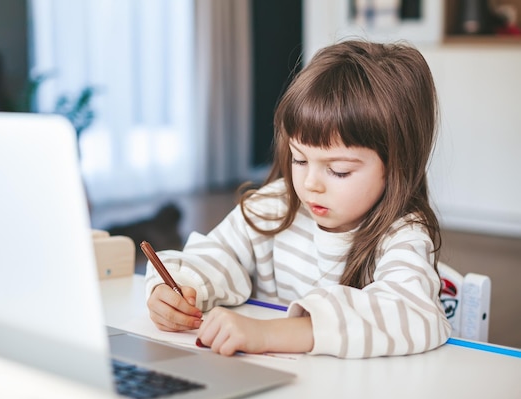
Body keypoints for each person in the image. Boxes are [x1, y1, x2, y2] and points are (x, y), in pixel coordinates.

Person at [144, 40, 451, 358]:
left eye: (339, 170)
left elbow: (413, 314)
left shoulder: (403, 234)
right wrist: (176, 288)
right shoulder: (274, 206)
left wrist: (266, 334)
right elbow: (217, 255)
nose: (309, 184)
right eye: (299, 159)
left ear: (397, 165)